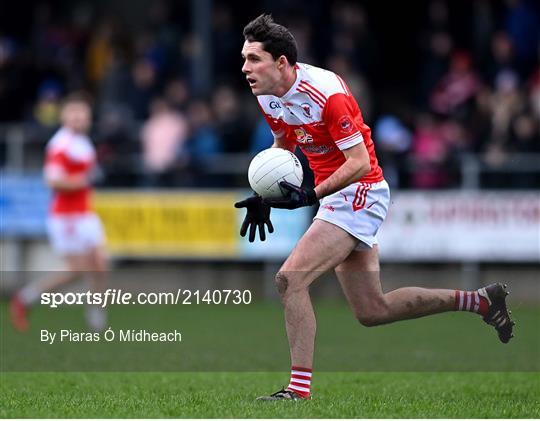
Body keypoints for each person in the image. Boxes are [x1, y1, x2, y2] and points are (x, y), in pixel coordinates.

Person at [234, 15, 514, 401]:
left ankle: (297, 392)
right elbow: (284, 144)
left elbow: (360, 162)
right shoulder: (266, 94)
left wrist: (312, 195)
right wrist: (267, 195)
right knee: (372, 310)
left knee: (289, 279)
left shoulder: (326, 93)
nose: (245, 68)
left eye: (254, 59)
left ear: (281, 62)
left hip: (360, 191)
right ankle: (479, 300)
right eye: (244, 58)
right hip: (337, 194)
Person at [10, 93, 109, 332]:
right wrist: (84, 179)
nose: (78, 118)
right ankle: (25, 298)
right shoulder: (60, 145)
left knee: (100, 265)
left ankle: (96, 315)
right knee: (77, 271)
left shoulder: (83, 142)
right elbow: (52, 182)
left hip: (85, 212)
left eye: (82, 114)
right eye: (73, 113)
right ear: (64, 116)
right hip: (66, 216)